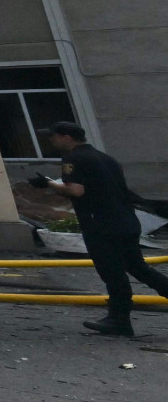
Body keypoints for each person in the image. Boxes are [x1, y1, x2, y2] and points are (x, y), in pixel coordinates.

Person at [29, 122, 168, 336]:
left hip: (101, 225)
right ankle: (119, 319)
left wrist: (47, 183)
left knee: (112, 273)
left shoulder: (73, 159)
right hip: (126, 222)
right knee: (138, 268)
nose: (51, 141)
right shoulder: (106, 158)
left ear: (67, 138)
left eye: (53, 137)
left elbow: (75, 190)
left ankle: (119, 320)